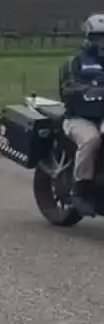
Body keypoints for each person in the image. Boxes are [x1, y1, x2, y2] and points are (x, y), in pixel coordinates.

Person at [60, 14, 104, 216]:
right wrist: (84, 90)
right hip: (79, 118)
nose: (102, 42)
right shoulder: (76, 62)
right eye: (98, 37)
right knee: (92, 140)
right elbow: (67, 87)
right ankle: (80, 189)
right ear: (88, 37)